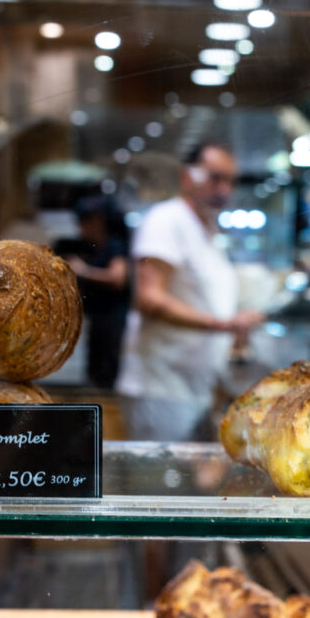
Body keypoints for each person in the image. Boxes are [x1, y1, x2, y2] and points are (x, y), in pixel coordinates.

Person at [117, 143, 263, 440]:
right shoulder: (166, 220)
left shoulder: (208, 231)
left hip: (194, 389)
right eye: (215, 178)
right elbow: (149, 298)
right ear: (187, 177)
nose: (224, 189)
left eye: (230, 181)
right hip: (161, 387)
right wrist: (222, 324)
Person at [54, 195, 130, 389]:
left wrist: (83, 270)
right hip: (100, 318)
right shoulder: (97, 247)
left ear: (97, 221)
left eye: (84, 222)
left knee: (105, 372)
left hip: (112, 319)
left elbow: (117, 277)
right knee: (95, 370)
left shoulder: (114, 245)